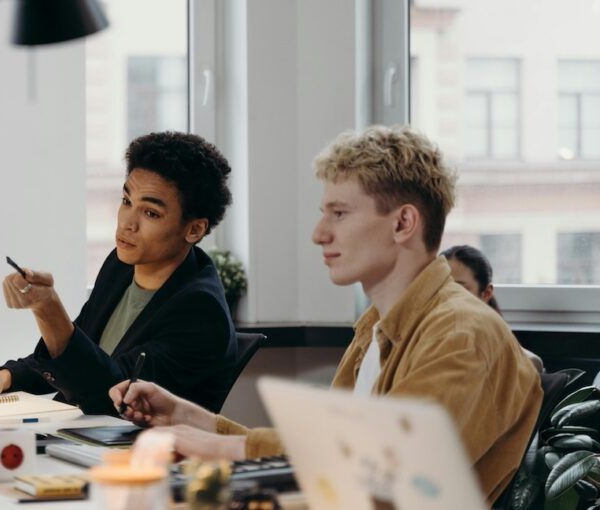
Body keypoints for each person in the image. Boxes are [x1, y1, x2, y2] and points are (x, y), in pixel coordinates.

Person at [110, 125, 542, 504]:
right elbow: (330, 450)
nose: (319, 233)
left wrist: (217, 450)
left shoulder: (460, 332)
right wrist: (191, 419)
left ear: (403, 223)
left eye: (339, 213)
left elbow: (386, 471)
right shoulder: (377, 328)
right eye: (324, 213)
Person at [0, 132, 238, 415]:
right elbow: (79, 358)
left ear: (194, 229)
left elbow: (111, 395)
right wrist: (3, 378)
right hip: (83, 441)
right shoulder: (121, 267)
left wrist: (48, 308)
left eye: (150, 213)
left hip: (141, 460)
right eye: (126, 201)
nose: (127, 223)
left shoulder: (200, 311)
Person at [442, 244, 544, 373]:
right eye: (440, 286)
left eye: (458, 289)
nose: (446, 296)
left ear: (486, 293)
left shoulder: (521, 363)